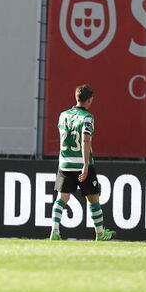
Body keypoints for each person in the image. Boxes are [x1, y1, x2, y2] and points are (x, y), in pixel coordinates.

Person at [50, 84, 114, 242]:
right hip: (81, 163)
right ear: (90, 99)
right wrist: (86, 165)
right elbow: (86, 139)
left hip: (65, 162)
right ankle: (100, 233)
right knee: (93, 198)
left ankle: (54, 231)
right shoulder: (87, 117)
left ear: (76, 97)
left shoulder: (63, 115)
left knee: (61, 198)